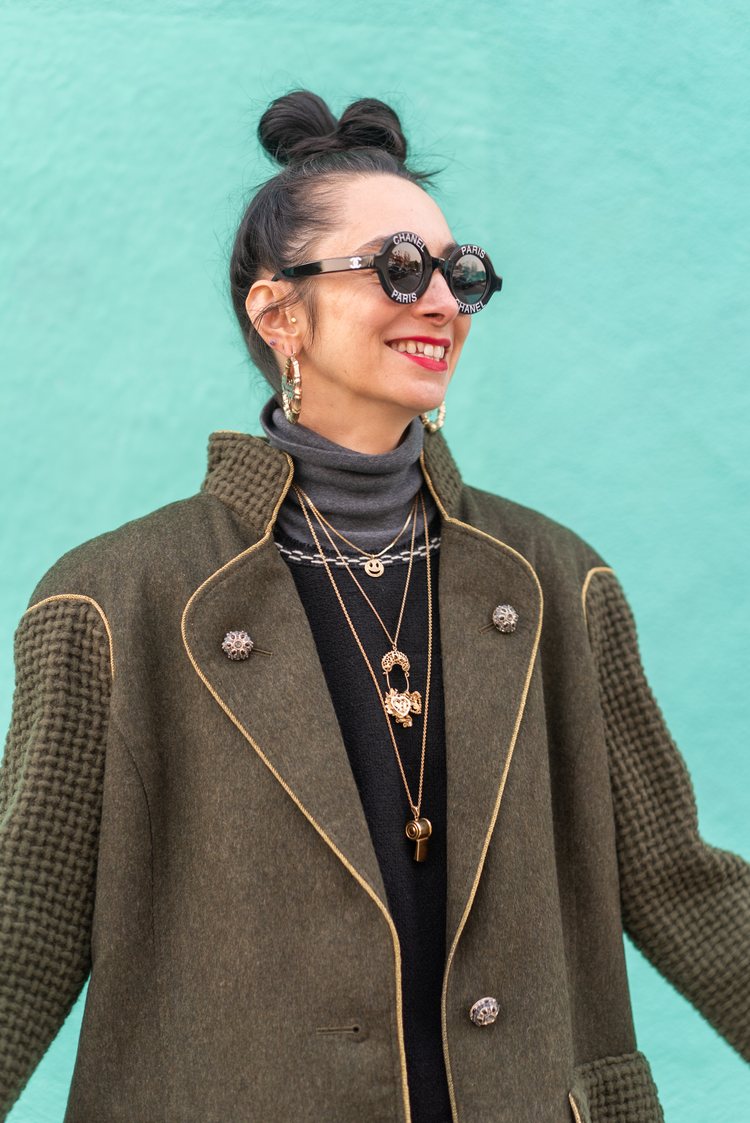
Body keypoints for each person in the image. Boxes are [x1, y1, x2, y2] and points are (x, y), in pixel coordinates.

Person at [0, 89, 747, 1123]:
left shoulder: (554, 577)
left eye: (462, 274)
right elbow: (21, 933)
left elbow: (677, 879)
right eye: (398, 268)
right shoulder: (112, 602)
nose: (441, 300)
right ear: (277, 312)